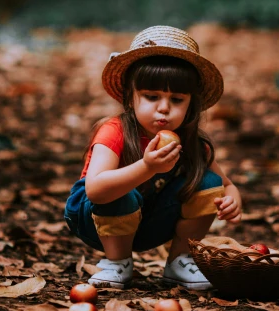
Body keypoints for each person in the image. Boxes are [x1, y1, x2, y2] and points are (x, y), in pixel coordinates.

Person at [64, 25, 242, 290]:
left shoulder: (191, 143)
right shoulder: (115, 132)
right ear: (130, 96)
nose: (164, 108)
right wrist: (147, 167)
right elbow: (96, 190)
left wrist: (232, 199)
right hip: (96, 221)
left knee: (207, 181)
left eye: (177, 99)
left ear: (190, 104)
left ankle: (179, 261)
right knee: (121, 191)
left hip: (151, 221)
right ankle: (118, 262)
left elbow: (225, 184)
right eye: (151, 96)